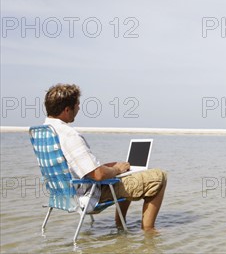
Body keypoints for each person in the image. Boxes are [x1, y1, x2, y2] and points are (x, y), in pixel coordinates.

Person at [42, 83, 167, 231]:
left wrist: (112, 167)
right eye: (77, 104)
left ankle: (120, 224)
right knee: (159, 177)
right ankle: (149, 232)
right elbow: (98, 175)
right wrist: (115, 170)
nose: (79, 108)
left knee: (125, 173)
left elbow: (78, 167)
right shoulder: (69, 135)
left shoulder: (45, 132)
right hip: (88, 195)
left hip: (62, 194)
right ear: (67, 109)